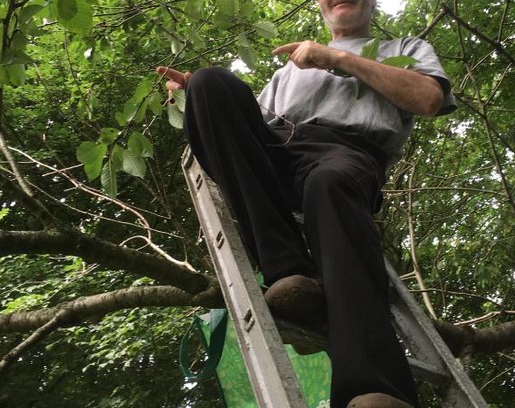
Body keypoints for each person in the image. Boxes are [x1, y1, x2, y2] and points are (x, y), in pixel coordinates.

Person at [157, 0, 456, 406]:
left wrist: (336, 58)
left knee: (329, 184)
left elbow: (428, 98)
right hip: (280, 149)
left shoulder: (405, 48)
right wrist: (200, 94)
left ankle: (374, 386)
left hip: (347, 152)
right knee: (209, 82)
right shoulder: (287, 72)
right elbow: (246, 135)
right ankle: (288, 272)